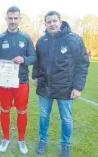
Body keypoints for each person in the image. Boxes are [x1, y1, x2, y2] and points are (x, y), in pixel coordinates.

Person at [32, 11, 89, 157]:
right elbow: (37, 62)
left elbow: (82, 63)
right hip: (45, 86)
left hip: (66, 88)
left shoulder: (74, 39)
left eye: (54, 21)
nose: (52, 24)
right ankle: (43, 141)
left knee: (66, 118)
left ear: (60, 21)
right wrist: (35, 76)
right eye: (48, 22)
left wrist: (78, 87)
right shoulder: (42, 41)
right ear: (45, 24)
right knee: (44, 116)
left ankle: (65, 145)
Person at [0, 6, 36, 154]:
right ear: (6, 19)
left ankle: (21, 140)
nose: (12, 21)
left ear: (19, 19)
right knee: (5, 110)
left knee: (22, 111)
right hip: (4, 83)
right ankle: (5, 138)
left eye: (15, 18)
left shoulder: (26, 38)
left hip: (22, 82)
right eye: (10, 18)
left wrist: (23, 59)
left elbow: (34, 57)